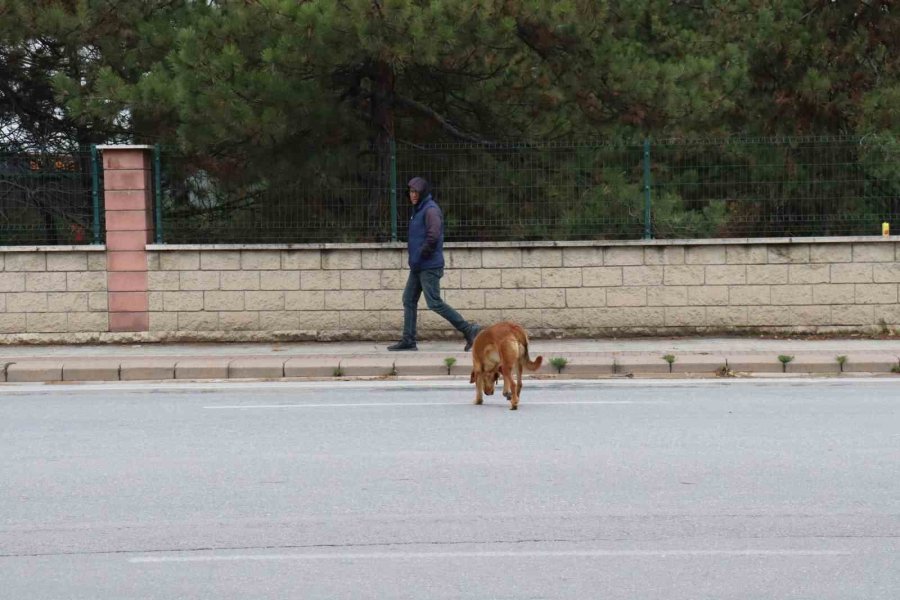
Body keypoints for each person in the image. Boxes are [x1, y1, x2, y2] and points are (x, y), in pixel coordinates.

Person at [387, 177, 481, 351]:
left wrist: (421, 255)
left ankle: (469, 330)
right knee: (408, 299)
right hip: (418, 266)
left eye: (415, 192)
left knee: (434, 302)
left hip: (429, 266)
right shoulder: (418, 210)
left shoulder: (431, 210)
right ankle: (409, 340)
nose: (412, 195)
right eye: (410, 192)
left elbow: (433, 236)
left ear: (422, 193)